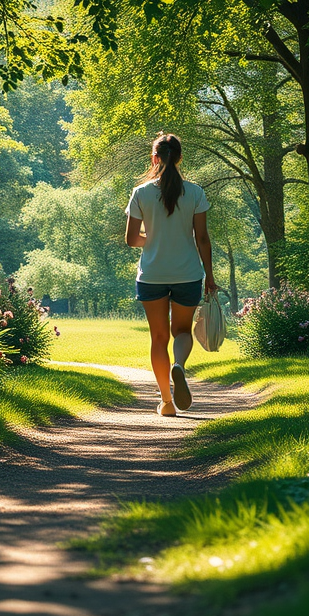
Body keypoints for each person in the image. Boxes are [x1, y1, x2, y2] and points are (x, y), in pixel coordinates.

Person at [125, 133, 217, 417]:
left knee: (158, 337)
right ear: (179, 158)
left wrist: (152, 239)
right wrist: (210, 276)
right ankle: (179, 365)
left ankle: (166, 402)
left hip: (152, 274)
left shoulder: (141, 193)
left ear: (154, 158)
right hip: (187, 274)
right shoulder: (195, 192)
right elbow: (202, 238)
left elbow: (131, 239)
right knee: (182, 331)